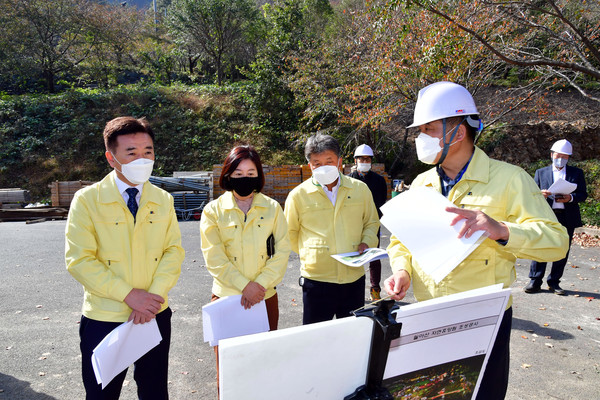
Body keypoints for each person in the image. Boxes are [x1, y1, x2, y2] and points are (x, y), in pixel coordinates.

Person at [383, 82, 569, 400]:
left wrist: (502, 230)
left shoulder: (510, 179)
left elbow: (556, 241)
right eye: (419, 131)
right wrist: (402, 271)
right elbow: (401, 241)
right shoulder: (421, 183)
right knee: (433, 393)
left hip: (484, 319)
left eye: (427, 129)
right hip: (430, 312)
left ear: (457, 133)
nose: (419, 138)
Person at [66, 116, 185, 399]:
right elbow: (80, 260)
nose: (142, 159)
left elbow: (173, 251)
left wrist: (151, 298)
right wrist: (129, 295)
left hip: (155, 313)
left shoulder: (162, 199)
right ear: (111, 157)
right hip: (105, 317)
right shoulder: (87, 200)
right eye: (131, 153)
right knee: (102, 394)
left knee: (154, 391)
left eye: (148, 152)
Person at [200, 145, 291, 384]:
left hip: (265, 297)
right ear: (228, 175)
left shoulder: (272, 208)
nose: (245, 179)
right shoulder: (213, 211)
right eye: (238, 174)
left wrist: (258, 285)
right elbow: (214, 257)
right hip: (227, 299)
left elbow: (282, 252)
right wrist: (244, 286)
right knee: (229, 371)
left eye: (251, 174)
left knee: (263, 366)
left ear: (259, 176)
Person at [285, 133, 380, 325]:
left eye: (329, 161)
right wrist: (312, 253)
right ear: (309, 165)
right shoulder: (298, 195)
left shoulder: (359, 189)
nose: (323, 167)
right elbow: (289, 233)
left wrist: (366, 242)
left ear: (339, 161)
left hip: (353, 278)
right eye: (317, 163)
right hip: (316, 280)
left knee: (351, 337)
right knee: (316, 339)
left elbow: (371, 222)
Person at [524, 139, 588, 295]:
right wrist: (541, 195)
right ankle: (535, 281)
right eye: (558, 155)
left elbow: (583, 194)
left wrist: (570, 198)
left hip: (567, 216)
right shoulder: (541, 172)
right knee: (541, 246)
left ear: (569, 158)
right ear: (552, 155)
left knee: (562, 249)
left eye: (565, 157)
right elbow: (532, 193)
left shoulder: (576, 173)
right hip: (546, 215)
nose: (561, 159)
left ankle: (554, 282)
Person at [348, 144, 388, 300]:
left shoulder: (379, 180)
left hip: (372, 224)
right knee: (353, 255)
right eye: (361, 159)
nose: (364, 161)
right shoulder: (349, 180)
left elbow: (381, 202)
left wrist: (374, 220)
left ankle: (375, 289)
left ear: (371, 161)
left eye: (367, 159)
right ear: (356, 160)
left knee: (373, 257)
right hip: (352, 224)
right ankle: (351, 289)